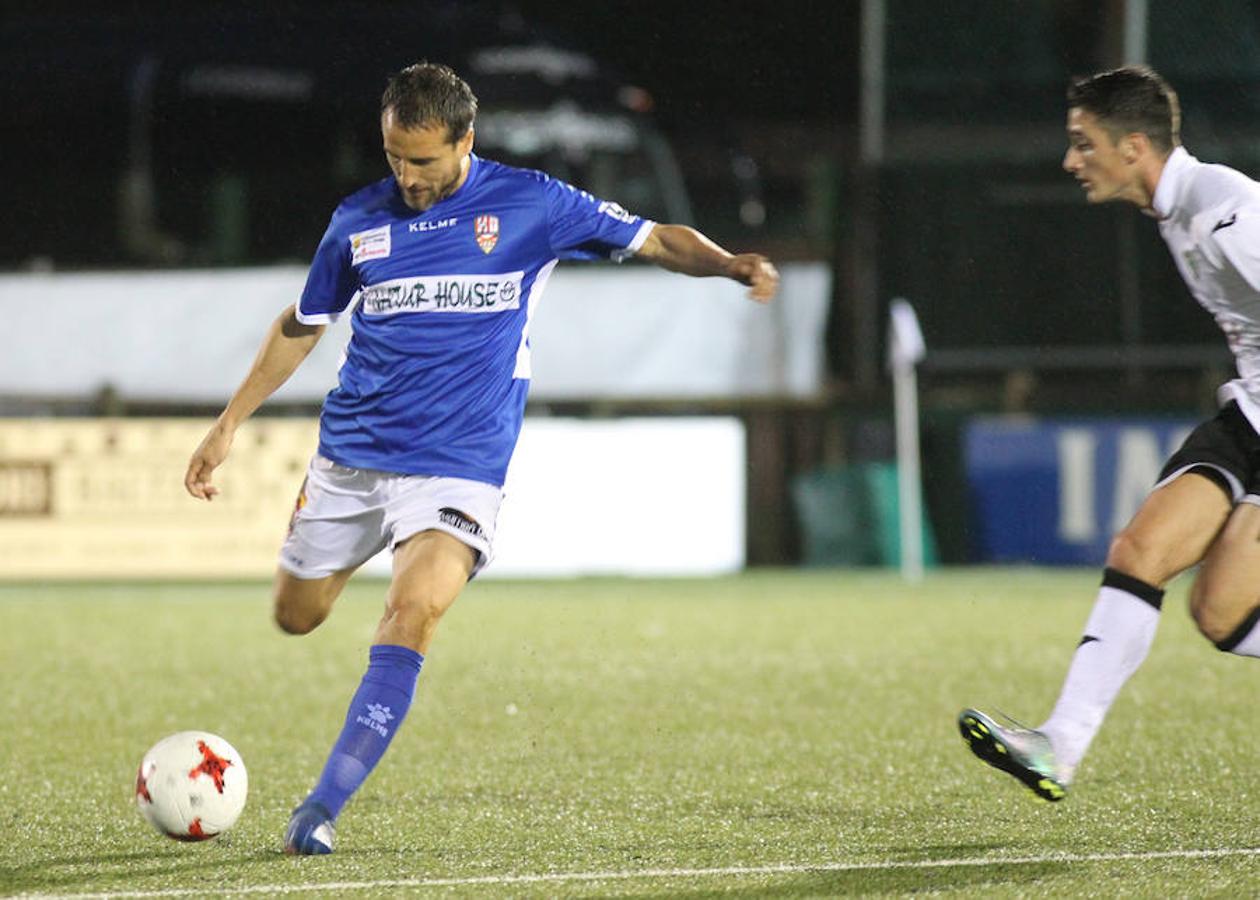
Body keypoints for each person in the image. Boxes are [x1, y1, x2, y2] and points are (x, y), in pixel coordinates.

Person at [184, 61, 779, 853]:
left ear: (467, 139)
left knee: (413, 610)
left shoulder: (532, 203)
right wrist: (228, 424)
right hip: (353, 456)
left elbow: (655, 237)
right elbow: (303, 323)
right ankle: (345, 566)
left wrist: (732, 262)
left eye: (423, 159)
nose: (407, 174)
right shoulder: (358, 220)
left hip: (460, 461)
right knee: (296, 617)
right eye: (394, 156)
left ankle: (319, 810)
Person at [959, 64, 1260, 801]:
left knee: (1219, 608)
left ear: (1132, 146)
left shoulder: (1227, 210)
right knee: (1143, 555)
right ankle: (1058, 745)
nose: (1070, 161)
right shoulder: (1175, 209)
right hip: (1250, 414)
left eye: (1081, 142)